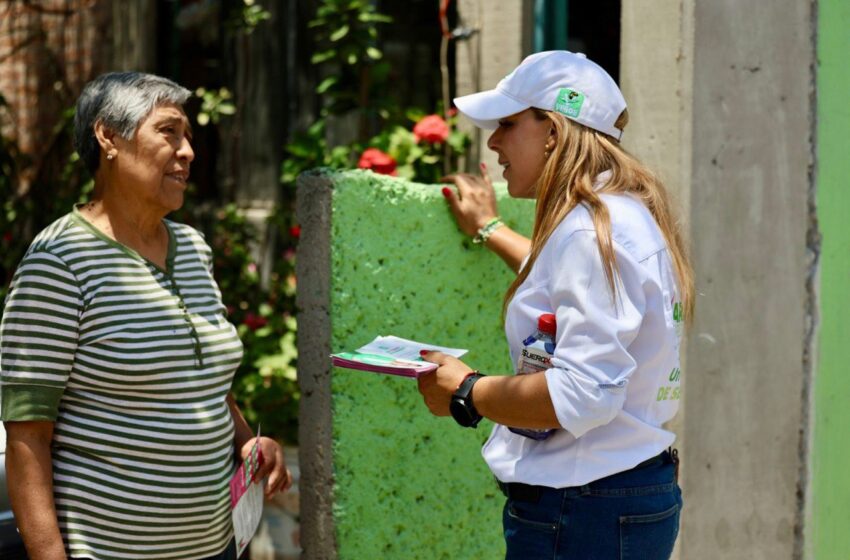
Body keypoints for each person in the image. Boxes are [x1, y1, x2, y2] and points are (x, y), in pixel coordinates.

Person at [0, 72, 291, 560]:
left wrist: (247, 441)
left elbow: (203, 380)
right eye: (169, 131)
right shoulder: (59, 262)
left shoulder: (192, 248)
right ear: (108, 137)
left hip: (214, 547)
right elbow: (27, 434)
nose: (188, 152)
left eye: (189, 137)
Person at [417, 51, 694, 559]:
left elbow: (584, 394)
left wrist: (467, 392)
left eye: (507, 124)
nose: (494, 142)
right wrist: (491, 230)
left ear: (555, 131)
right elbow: (567, 286)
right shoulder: (618, 216)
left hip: (583, 509)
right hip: (616, 495)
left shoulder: (590, 230)